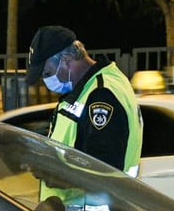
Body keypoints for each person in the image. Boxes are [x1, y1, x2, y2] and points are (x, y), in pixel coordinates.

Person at [24, 25, 143, 175]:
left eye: (47, 73)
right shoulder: (89, 89)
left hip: (93, 199)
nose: (46, 81)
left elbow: (101, 169)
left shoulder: (101, 95)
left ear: (66, 60)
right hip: (81, 198)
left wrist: (53, 176)